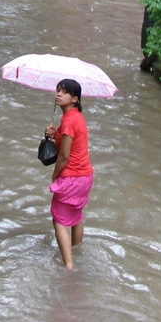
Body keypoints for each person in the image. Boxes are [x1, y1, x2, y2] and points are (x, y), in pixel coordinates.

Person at [44, 78, 93, 269]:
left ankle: (69, 265)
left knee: (59, 219)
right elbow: (71, 144)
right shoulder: (76, 118)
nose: (58, 94)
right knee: (76, 216)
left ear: (75, 98)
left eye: (63, 92)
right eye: (57, 90)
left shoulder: (69, 121)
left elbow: (64, 156)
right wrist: (54, 134)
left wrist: (55, 175)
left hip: (71, 177)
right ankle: (77, 251)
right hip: (85, 177)